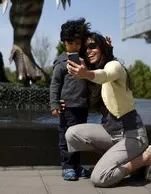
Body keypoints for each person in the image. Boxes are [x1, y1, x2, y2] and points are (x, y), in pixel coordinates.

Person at [64, 32, 151, 188]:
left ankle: (146, 157)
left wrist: (86, 74)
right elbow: (93, 81)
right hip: (110, 133)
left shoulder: (114, 66)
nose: (88, 51)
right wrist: (63, 102)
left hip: (132, 135)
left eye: (93, 46)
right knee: (72, 134)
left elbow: (105, 74)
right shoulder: (93, 79)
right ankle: (117, 158)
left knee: (100, 178)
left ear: (102, 47)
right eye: (85, 49)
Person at [49, 18, 93, 181]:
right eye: (71, 43)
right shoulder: (61, 63)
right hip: (67, 107)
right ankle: (68, 167)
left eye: (77, 43)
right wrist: (54, 104)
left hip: (82, 106)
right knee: (65, 137)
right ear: (64, 42)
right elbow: (55, 85)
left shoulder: (84, 61)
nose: (75, 46)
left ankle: (77, 166)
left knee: (78, 138)